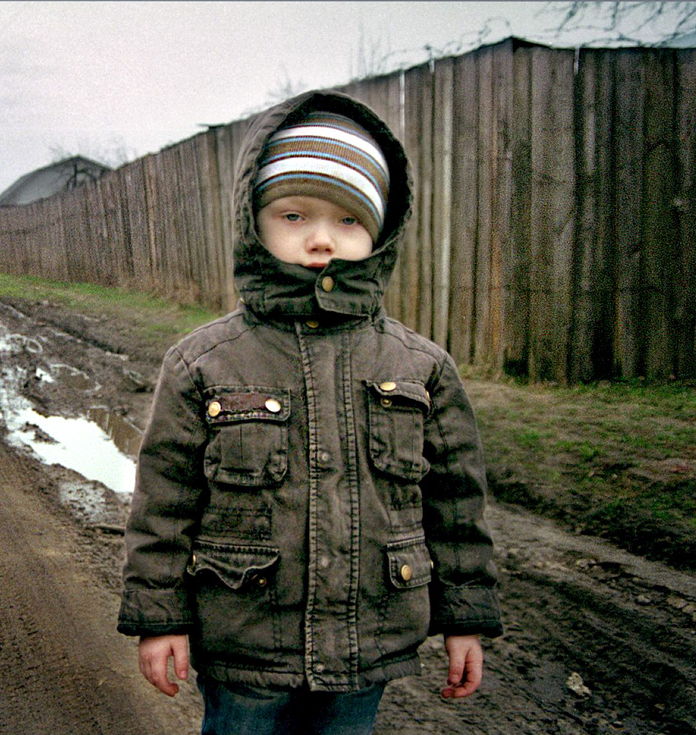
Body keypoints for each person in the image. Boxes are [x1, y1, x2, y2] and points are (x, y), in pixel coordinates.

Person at [117, 89, 503, 735]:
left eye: (349, 220)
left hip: (368, 640)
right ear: (254, 221)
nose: (321, 237)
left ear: (381, 232)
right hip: (243, 642)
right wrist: (160, 619)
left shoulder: (421, 366)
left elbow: (457, 505)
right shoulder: (204, 361)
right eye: (294, 214)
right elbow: (164, 504)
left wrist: (465, 617)